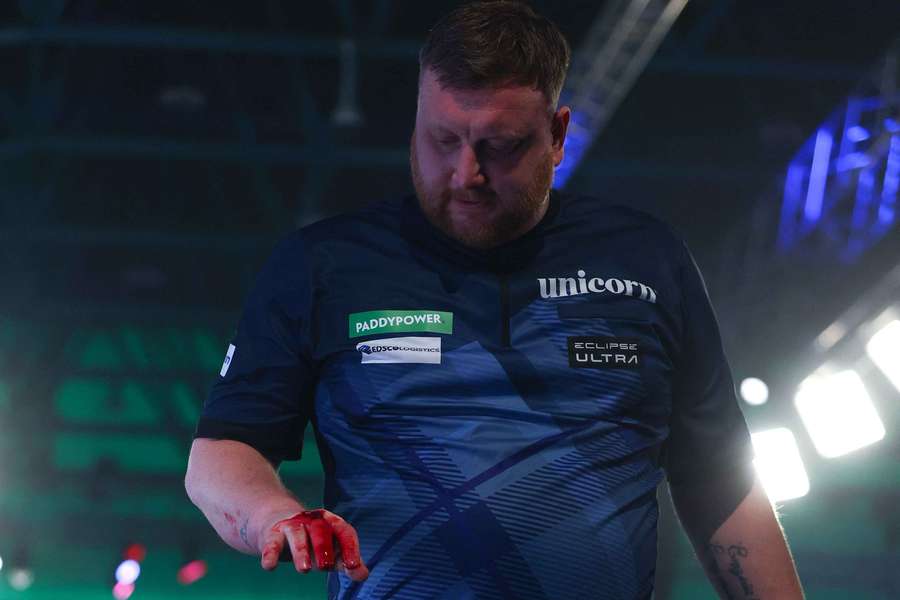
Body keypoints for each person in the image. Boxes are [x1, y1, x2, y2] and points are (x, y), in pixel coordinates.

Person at [185, 2, 805, 598]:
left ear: (557, 135)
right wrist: (273, 515)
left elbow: (721, 481)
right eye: (443, 139)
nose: (466, 174)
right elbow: (220, 453)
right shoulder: (323, 265)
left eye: (500, 146)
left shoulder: (645, 259)